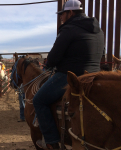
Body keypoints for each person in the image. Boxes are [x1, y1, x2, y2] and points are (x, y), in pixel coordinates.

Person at [33, 0, 104, 149]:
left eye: (62, 14)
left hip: (72, 76)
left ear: (70, 13)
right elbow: (100, 54)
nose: (61, 17)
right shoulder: (98, 30)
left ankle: (51, 142)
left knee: (38, 100)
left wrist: (50, 64)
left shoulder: (69, 28)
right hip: (95, 75)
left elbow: (53, 58)